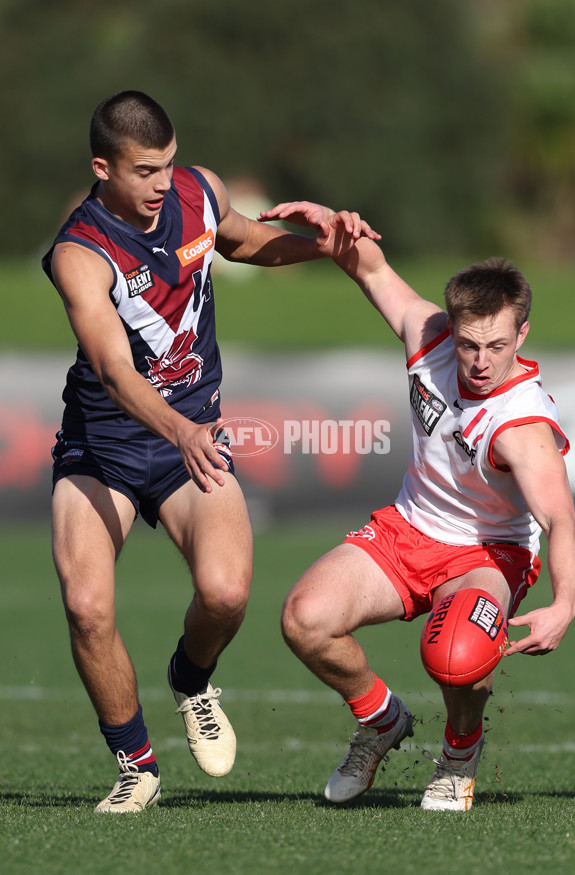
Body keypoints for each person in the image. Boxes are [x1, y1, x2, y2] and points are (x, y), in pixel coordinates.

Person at [41, 92, 378, 813]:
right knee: (86, 604)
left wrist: (331, 245)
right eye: (143, 171)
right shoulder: (80, 252)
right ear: (103, 168)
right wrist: (184, 430)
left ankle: (191, 680)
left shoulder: (198, 190)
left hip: (190, 438)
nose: (162, 182)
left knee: (225, 595)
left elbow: (249, 242)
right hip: (104, 446)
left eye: (168, 163)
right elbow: (113, 369)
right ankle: (137, 766)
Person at [260, 201, 575, 812]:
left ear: (522, 336)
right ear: (451, 328)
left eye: (496, 345)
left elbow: (560, 520)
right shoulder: (429, 335)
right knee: (304, 618)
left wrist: (563, 603)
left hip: (490, 551)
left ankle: (460, 751)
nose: (481, 361)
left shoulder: (524, 424)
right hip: (407, 530)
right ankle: (381, 720)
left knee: (455, 654)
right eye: (469, 345)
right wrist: (335, 227)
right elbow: (371, 269)